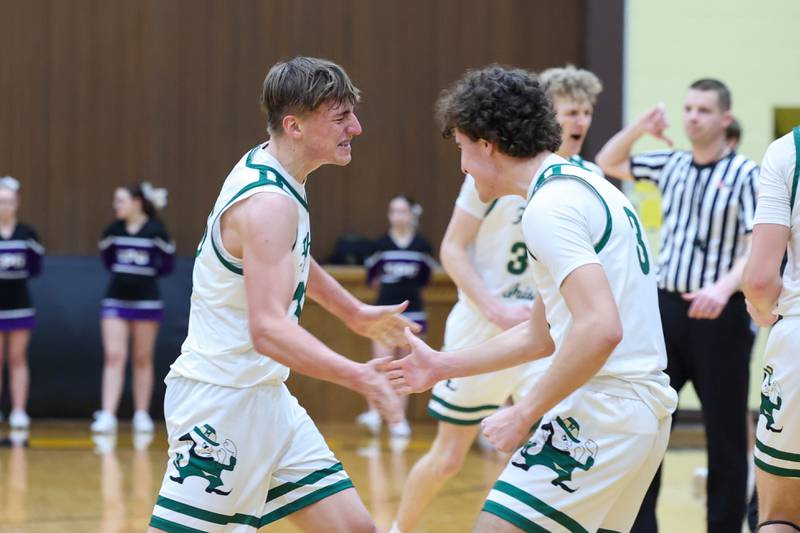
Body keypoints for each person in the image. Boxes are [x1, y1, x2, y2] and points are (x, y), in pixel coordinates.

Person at [389, 64, 677, 532]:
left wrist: (524, 412)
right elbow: (542, 337)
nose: (461, 163)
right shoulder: (581, 187)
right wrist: (442, 365)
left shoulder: (550, 207)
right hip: (638, 414)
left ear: (486, 144)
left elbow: (600, 328)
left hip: (604, 408)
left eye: (462, 148)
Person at [148, 57, 414, 533]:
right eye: (340, 117)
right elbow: (269, 330)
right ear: (294, 125)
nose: (356, 127)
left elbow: (289, 257)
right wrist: (360, 375)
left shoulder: (273, 169)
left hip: (266, 398)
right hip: (223, 403)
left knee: (355, 529)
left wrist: (353, 312)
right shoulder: (268, 203)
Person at [596, 78, 759, 533]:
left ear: (724, 119)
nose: (692, 117)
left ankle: (723, 528)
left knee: (725, 433)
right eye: (688, 108)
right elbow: (607, 161)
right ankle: (640, 525)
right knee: (649, 422)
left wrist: (724, 288)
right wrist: (639, 126)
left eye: (703, 110)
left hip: (720, 314)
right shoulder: (671, 164)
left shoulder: (747, 174)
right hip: (666, 309)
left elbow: (755, 247)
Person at [743, 125, 800, 532]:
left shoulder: (787, 150)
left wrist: (760, 306)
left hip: (796, 342)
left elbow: (761, 280)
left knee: (781, 516)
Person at [92, 183, 175, 434]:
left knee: (142, 357)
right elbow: (107, 260)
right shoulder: (112, 231)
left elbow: (167, 265)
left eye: (121, 200)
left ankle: (141, 414)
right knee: (115, 356)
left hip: (146, 302)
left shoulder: (156, 232)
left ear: (137, 202)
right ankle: (107, 415)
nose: (116, 205)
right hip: (116, 300)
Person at [357, 195, 435, 438]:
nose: (397, 216)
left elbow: (426, 278)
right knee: (381, 363)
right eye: (393, 211)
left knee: (404, 368)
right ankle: (374, 413)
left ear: (412, 215)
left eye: (402, 211)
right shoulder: (380, 244)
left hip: (414, 313)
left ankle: (398, 420)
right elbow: (370, 278)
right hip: (384, 311)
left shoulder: (422, 246)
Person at [0, 176, 43, 429]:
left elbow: (35, 267)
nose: (4, 206)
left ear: (16, 204)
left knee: (17, 357)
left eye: (9, 202)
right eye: (0, 202)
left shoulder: (27, 234)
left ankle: (18, 410)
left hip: (19, 303)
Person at [540, 65, 604, 173]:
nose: (583, 122)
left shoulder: (592, 172)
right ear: (546, 116)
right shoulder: (522, 172)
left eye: (587, 113)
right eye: (572, 113)